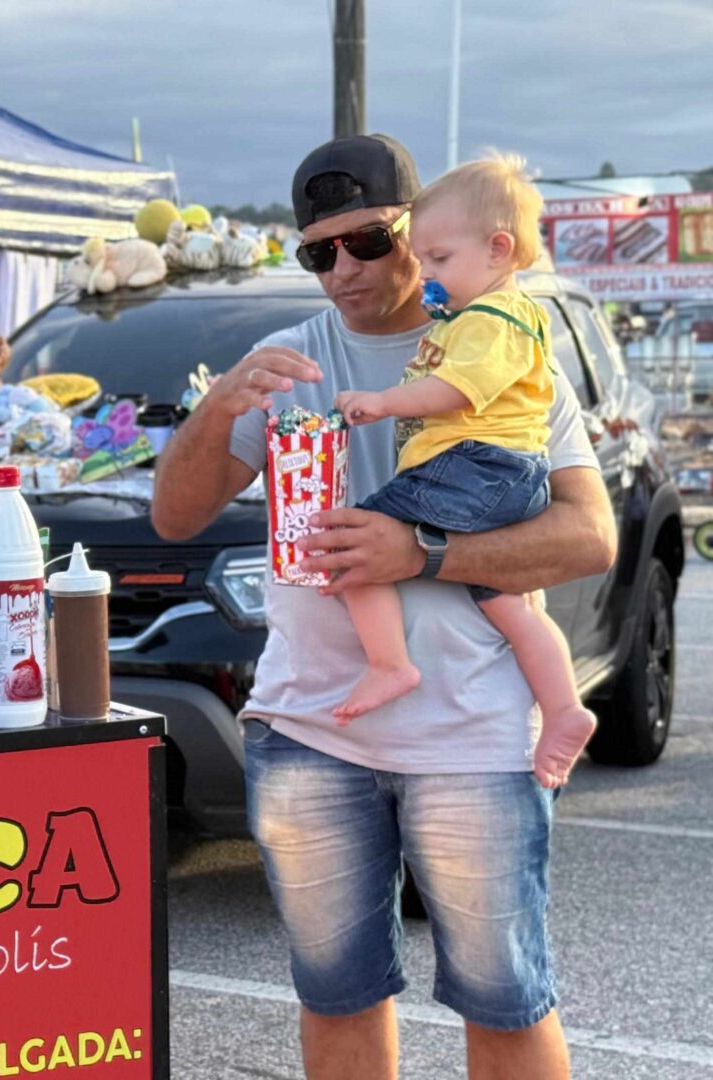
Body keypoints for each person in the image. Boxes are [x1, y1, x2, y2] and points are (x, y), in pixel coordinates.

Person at [151, 134, 612, 1080]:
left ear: (428, 230)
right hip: (312, 726)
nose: (344, 270)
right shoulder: (285, 359)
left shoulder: (507, 345)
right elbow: (174, 513)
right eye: (318, 251)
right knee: (337, 998)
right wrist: (215, 409)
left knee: (507, 1002)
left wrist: (426, 550)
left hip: (473, 735)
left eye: (369, 241)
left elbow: (590, 536)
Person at [327, 154, 594, 786]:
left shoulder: (493, 319)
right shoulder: (487, 316)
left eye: (440, 260)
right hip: (501, 474)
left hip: (478, 467)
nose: (428, 275)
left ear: (499, 249)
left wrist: (382, 402)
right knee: (509, 604)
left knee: (353, 544)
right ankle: (563, 709)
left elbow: (455, 390)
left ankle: (390, 663)